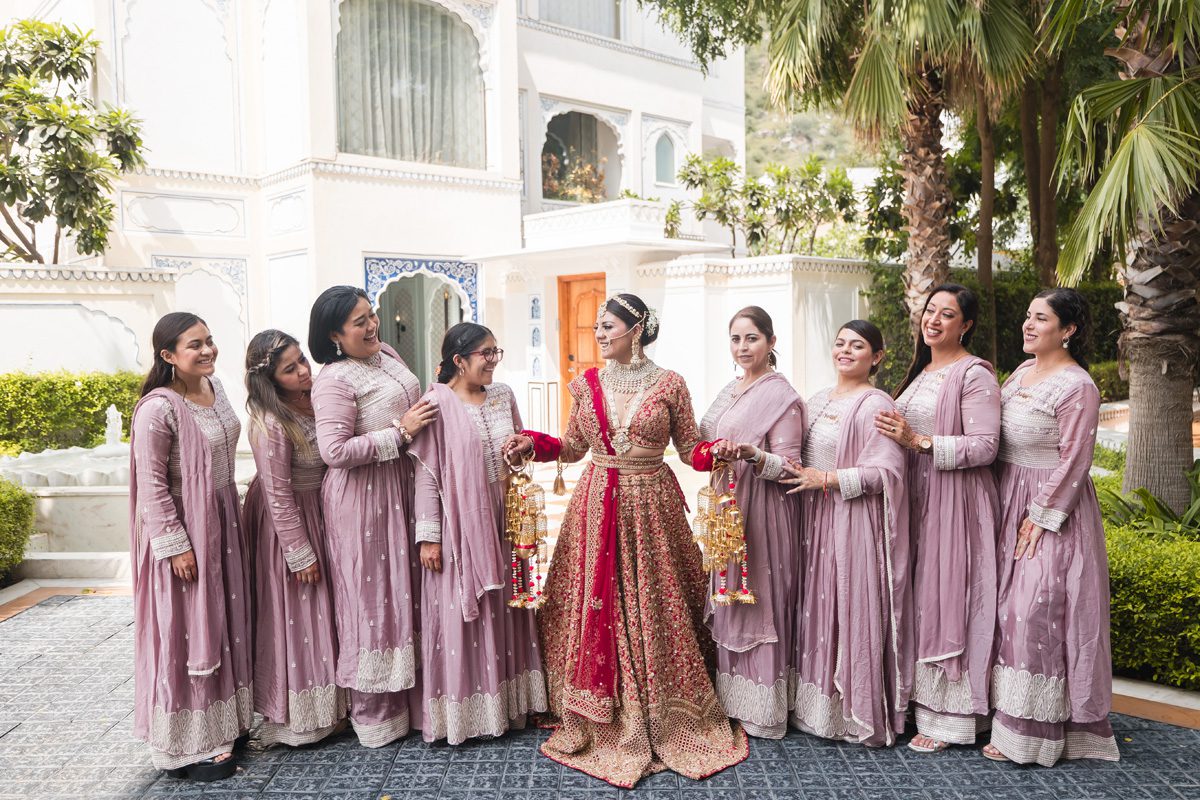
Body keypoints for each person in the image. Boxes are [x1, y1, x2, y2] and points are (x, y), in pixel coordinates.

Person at [507, 293, 748, 787]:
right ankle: (594, 708)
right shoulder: (586, 383)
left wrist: (716, 452)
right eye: (596, 326)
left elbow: (689, 448)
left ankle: (663, 709)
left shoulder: (670, 384)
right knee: (595, 600)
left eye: (608, 326)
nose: (598, 333)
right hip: (596, 501)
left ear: (635, 330)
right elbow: (573, 448)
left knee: (656, 604)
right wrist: (536, 443)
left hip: (652, 503)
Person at [984, 288, 1119, 766]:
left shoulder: (1077, 387)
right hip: (1005, 496)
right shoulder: (1020, 373)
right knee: (1002, 610)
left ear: (1068, 330)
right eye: (1027, 316)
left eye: (1040, 318)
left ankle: (1035, 734)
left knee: (1036, 611)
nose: (1028, 324)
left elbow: (1076, 460)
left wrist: (1040, 517)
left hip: (1050, 510)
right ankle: (1003, 715)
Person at [309, 286, 438, 747]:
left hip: (402, 488)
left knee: (407, 590)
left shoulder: (385, 354)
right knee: (372, 599)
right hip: (361, 500)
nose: (372, 327)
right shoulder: (333, 380)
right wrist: (400, 432)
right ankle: (375, 716)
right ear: (334, 334)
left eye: (372, 316)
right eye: (360, 322)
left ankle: (413, 702)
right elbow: (334, 451)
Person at [407, 322, 548, 744]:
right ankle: (469, 713)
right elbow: (427, 475)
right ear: (459, 360)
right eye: (485, 353)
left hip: (505, 516)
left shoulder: (503, 395)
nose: (492, 361)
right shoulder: (436, 404)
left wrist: (521, 451)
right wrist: (428, 535)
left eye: (495, 352)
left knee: (508, 603)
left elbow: (522, 447)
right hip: (459, 523)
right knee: (464, 612)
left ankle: (509, 705)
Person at [875, 285, 1000, 751]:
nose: (934, 320)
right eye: (930, 310)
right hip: (915, 498)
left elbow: (987, 446)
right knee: (918, 597)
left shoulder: (974, 375)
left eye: (947, 314)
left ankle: (951, 718)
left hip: (956, 501)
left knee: (951, 598)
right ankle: (915, 702)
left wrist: (919, 441)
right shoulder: (920, 371)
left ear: (965, 325)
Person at [129, 313, 251, 780]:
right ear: (167, 356)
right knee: (184, 631)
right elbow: (152, 486)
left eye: (210, 341)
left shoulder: (214, 389)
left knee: (221, 622)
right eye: (194, 345)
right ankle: (188, 745)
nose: (207, 351)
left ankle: (225, 723)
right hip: (183, 535)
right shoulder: (157, 410)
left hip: (220, 521)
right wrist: (178, 546)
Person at [782, 321, 912, 746]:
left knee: (844, 605)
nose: (845, 351)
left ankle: (850, 709)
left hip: (850, 520)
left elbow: (886, 471)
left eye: (857, 346)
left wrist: (830, 479)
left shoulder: (878, 403)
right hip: (811, 520)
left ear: (876, 357)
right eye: (839, 343)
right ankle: (814, 707)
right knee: (814, 605)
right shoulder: (816, 399)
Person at [693, 306, 806, 739]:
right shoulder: (732, 388)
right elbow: (704, 437)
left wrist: (753, 456)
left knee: (759, 595)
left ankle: (765, 708)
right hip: (727, 506)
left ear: (771, 343)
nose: (743, 347)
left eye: (752, 339)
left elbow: (792, 466)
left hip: (763, 508)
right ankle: (734, 699)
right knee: (729, 594)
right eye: (736, 339)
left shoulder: (781, 395)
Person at [243, 330, 346, 746]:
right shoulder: (271, 422)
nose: (304, 370)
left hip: (322, 512)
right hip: (286, 523)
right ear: (271, 380)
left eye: (302, 360)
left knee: (328, 609)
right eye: (291, 369)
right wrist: (299, 554)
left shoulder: (316, 396)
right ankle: (301, 716)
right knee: (299, 612)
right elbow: (278, 496)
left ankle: (338, 704)